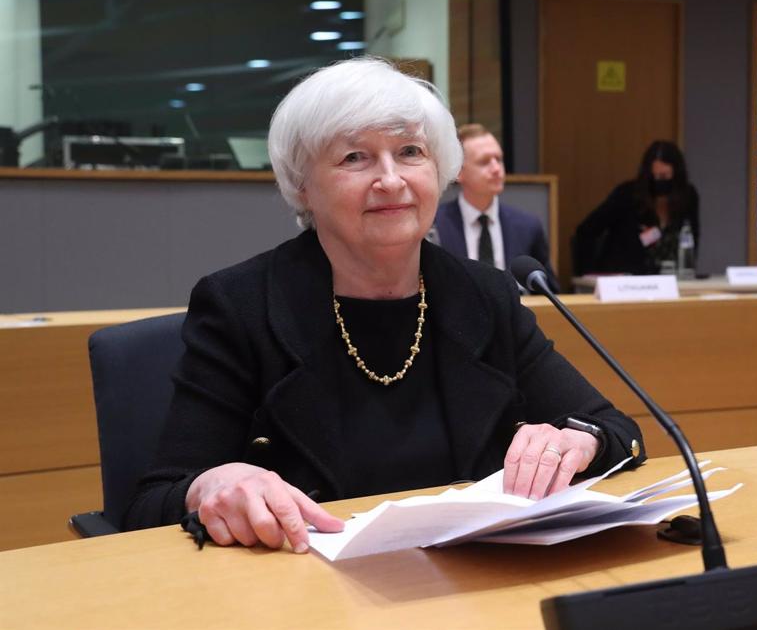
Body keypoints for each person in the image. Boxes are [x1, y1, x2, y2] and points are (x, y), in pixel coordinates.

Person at [124, 58, 645, 553]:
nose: (392, 179)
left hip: (478, 580)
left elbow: (616, 429)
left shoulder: (484, 294)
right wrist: (213, 484)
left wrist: (577, 442)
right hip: (308, 591)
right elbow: (151, 503)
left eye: (411, 153)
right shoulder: (241, 306)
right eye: (356, 157)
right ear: (303, 185)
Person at [433, 124, 560, 291]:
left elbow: (550, 292)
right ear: (459, 172)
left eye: (498, 159)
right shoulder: (435, 225)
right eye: (484, 162)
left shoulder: (527, 226)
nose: (496, 168)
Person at [574, 141, 700, 275]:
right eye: (654, 177)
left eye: (664, 176)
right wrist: (587, 273)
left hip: (671, 276)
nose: (659, 182)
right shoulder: (628, 195)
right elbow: (586, 231)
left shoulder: (688, 197)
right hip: (625, 276)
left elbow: (693, 239)